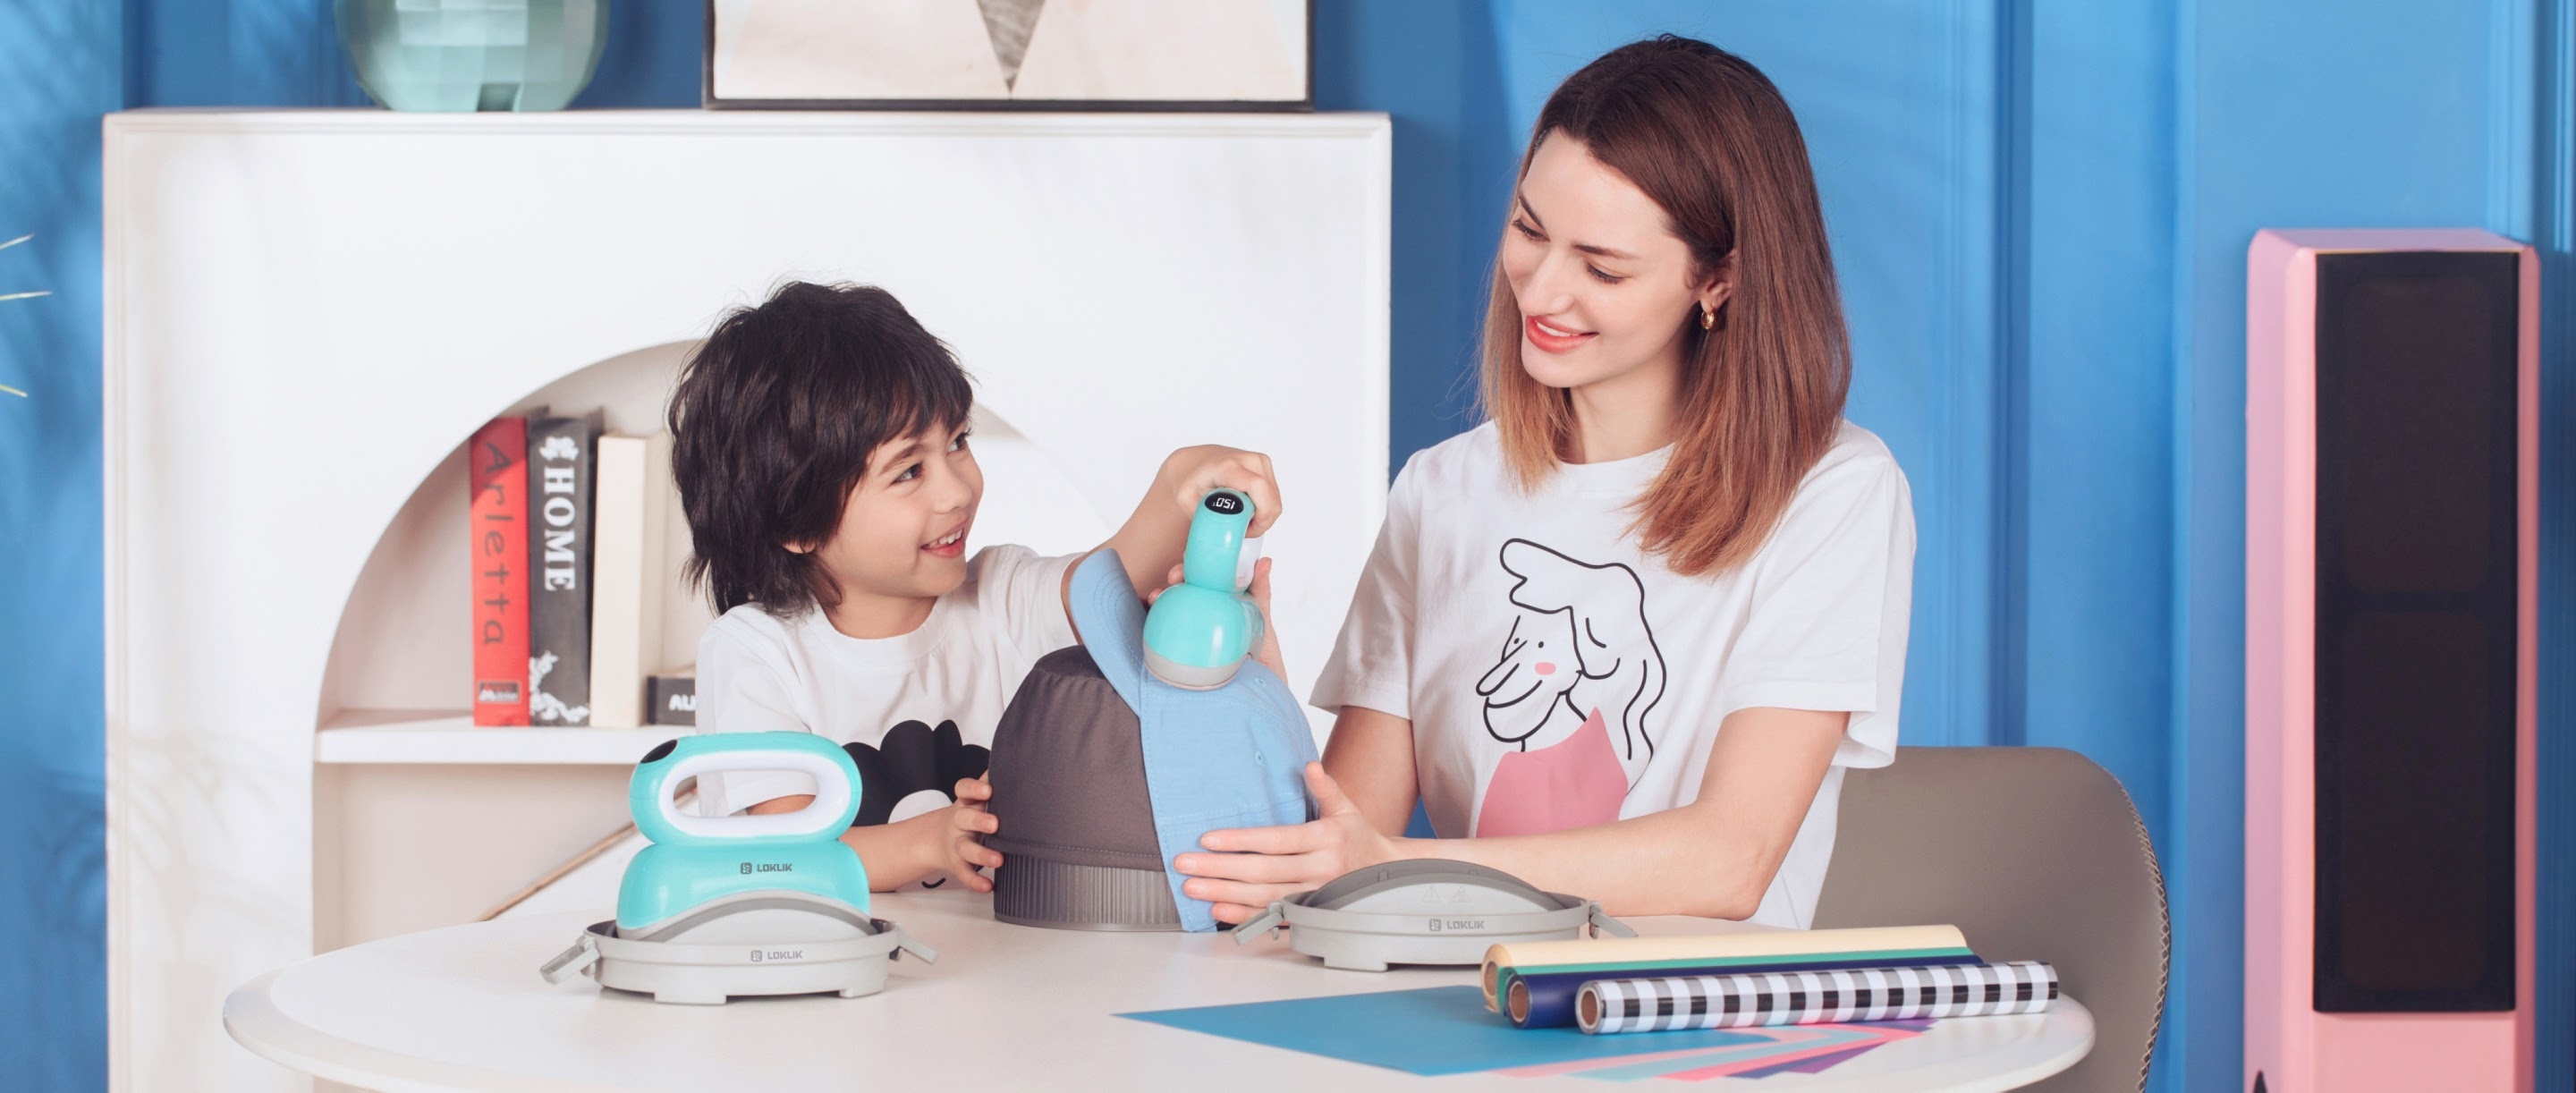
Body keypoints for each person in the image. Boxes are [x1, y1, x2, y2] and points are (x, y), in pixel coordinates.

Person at [1174, 36, 1916, 929]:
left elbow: (1733, 861)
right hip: (1457, 1008)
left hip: (1687, 1036)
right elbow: (1340, 849)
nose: (1543, 290)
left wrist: (1403, 862)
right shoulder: (1441, 493)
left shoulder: (1831, 492)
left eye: (1601, 267)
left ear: (1718, 279)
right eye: (1529, 230)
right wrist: (1250, 692)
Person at [668, 281, 1283, 894]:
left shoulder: (995, 596)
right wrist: (931, 841)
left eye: (958, 442)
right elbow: (789, 853)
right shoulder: (754, 652)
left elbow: (1110, 582)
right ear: (796, 522)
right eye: (909, 471)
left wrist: (1179, 485)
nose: (957, 491)